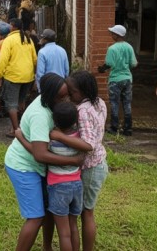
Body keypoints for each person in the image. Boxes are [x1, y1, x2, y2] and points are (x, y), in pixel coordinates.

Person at [6, 73, 85, 251]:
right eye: (61, 97)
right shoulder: (40, 115)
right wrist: (73, 160)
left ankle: (46, 247)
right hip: (23, 167)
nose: (66, 100)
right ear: (49, 96)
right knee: (36, 217)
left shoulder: (53, 105)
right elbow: (40, 155)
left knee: (48, 211)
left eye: (67, 95)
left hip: (41, 167)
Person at [66, 70, 108, 251]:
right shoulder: (99, 102)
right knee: (85, 211)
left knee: (86, 212)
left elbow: (89, 144)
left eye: (72, 92)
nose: (68, 95)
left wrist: (59, 136)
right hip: (100, 162)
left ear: (82, 92)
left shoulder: (81, 111)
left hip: (91, 167)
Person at [43, 101, 89, 251]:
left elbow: (42, 153)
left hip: (58, 187)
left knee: (64, 233)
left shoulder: (52, 140)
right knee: (73, 227)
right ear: (76, 120)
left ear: (55, 121)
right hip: (77, 185)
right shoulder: (78, 139)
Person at [0, 19, 38, 137]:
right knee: (21, 102)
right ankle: (22, 127)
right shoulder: (28, 39)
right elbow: (35, 59)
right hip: (28, 76)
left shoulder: (9, 40)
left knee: (11, 105)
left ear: (12, 27)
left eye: (10, 25)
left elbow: (3, 60)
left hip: (13, 76)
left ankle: (16, 131)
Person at [98, 24, 138, 135]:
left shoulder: (112, 48)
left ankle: (114, 128)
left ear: (117, 35)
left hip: (115, 79)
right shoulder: (129, 47)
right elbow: (134, 63)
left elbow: (108, 64)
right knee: (127, 103)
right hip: (127, 79)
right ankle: (128, 129)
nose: (111, 35)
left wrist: (101, 69)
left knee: (114, 103)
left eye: (112, 33)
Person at [35, 28, 69, 92]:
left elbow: (40, 73)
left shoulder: (42, 52)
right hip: (61, 84)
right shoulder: (62, 50)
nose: (41, 40)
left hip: (48, 86)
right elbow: (66, 70)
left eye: (42, 38)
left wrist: (40, 89)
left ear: (45, 40)